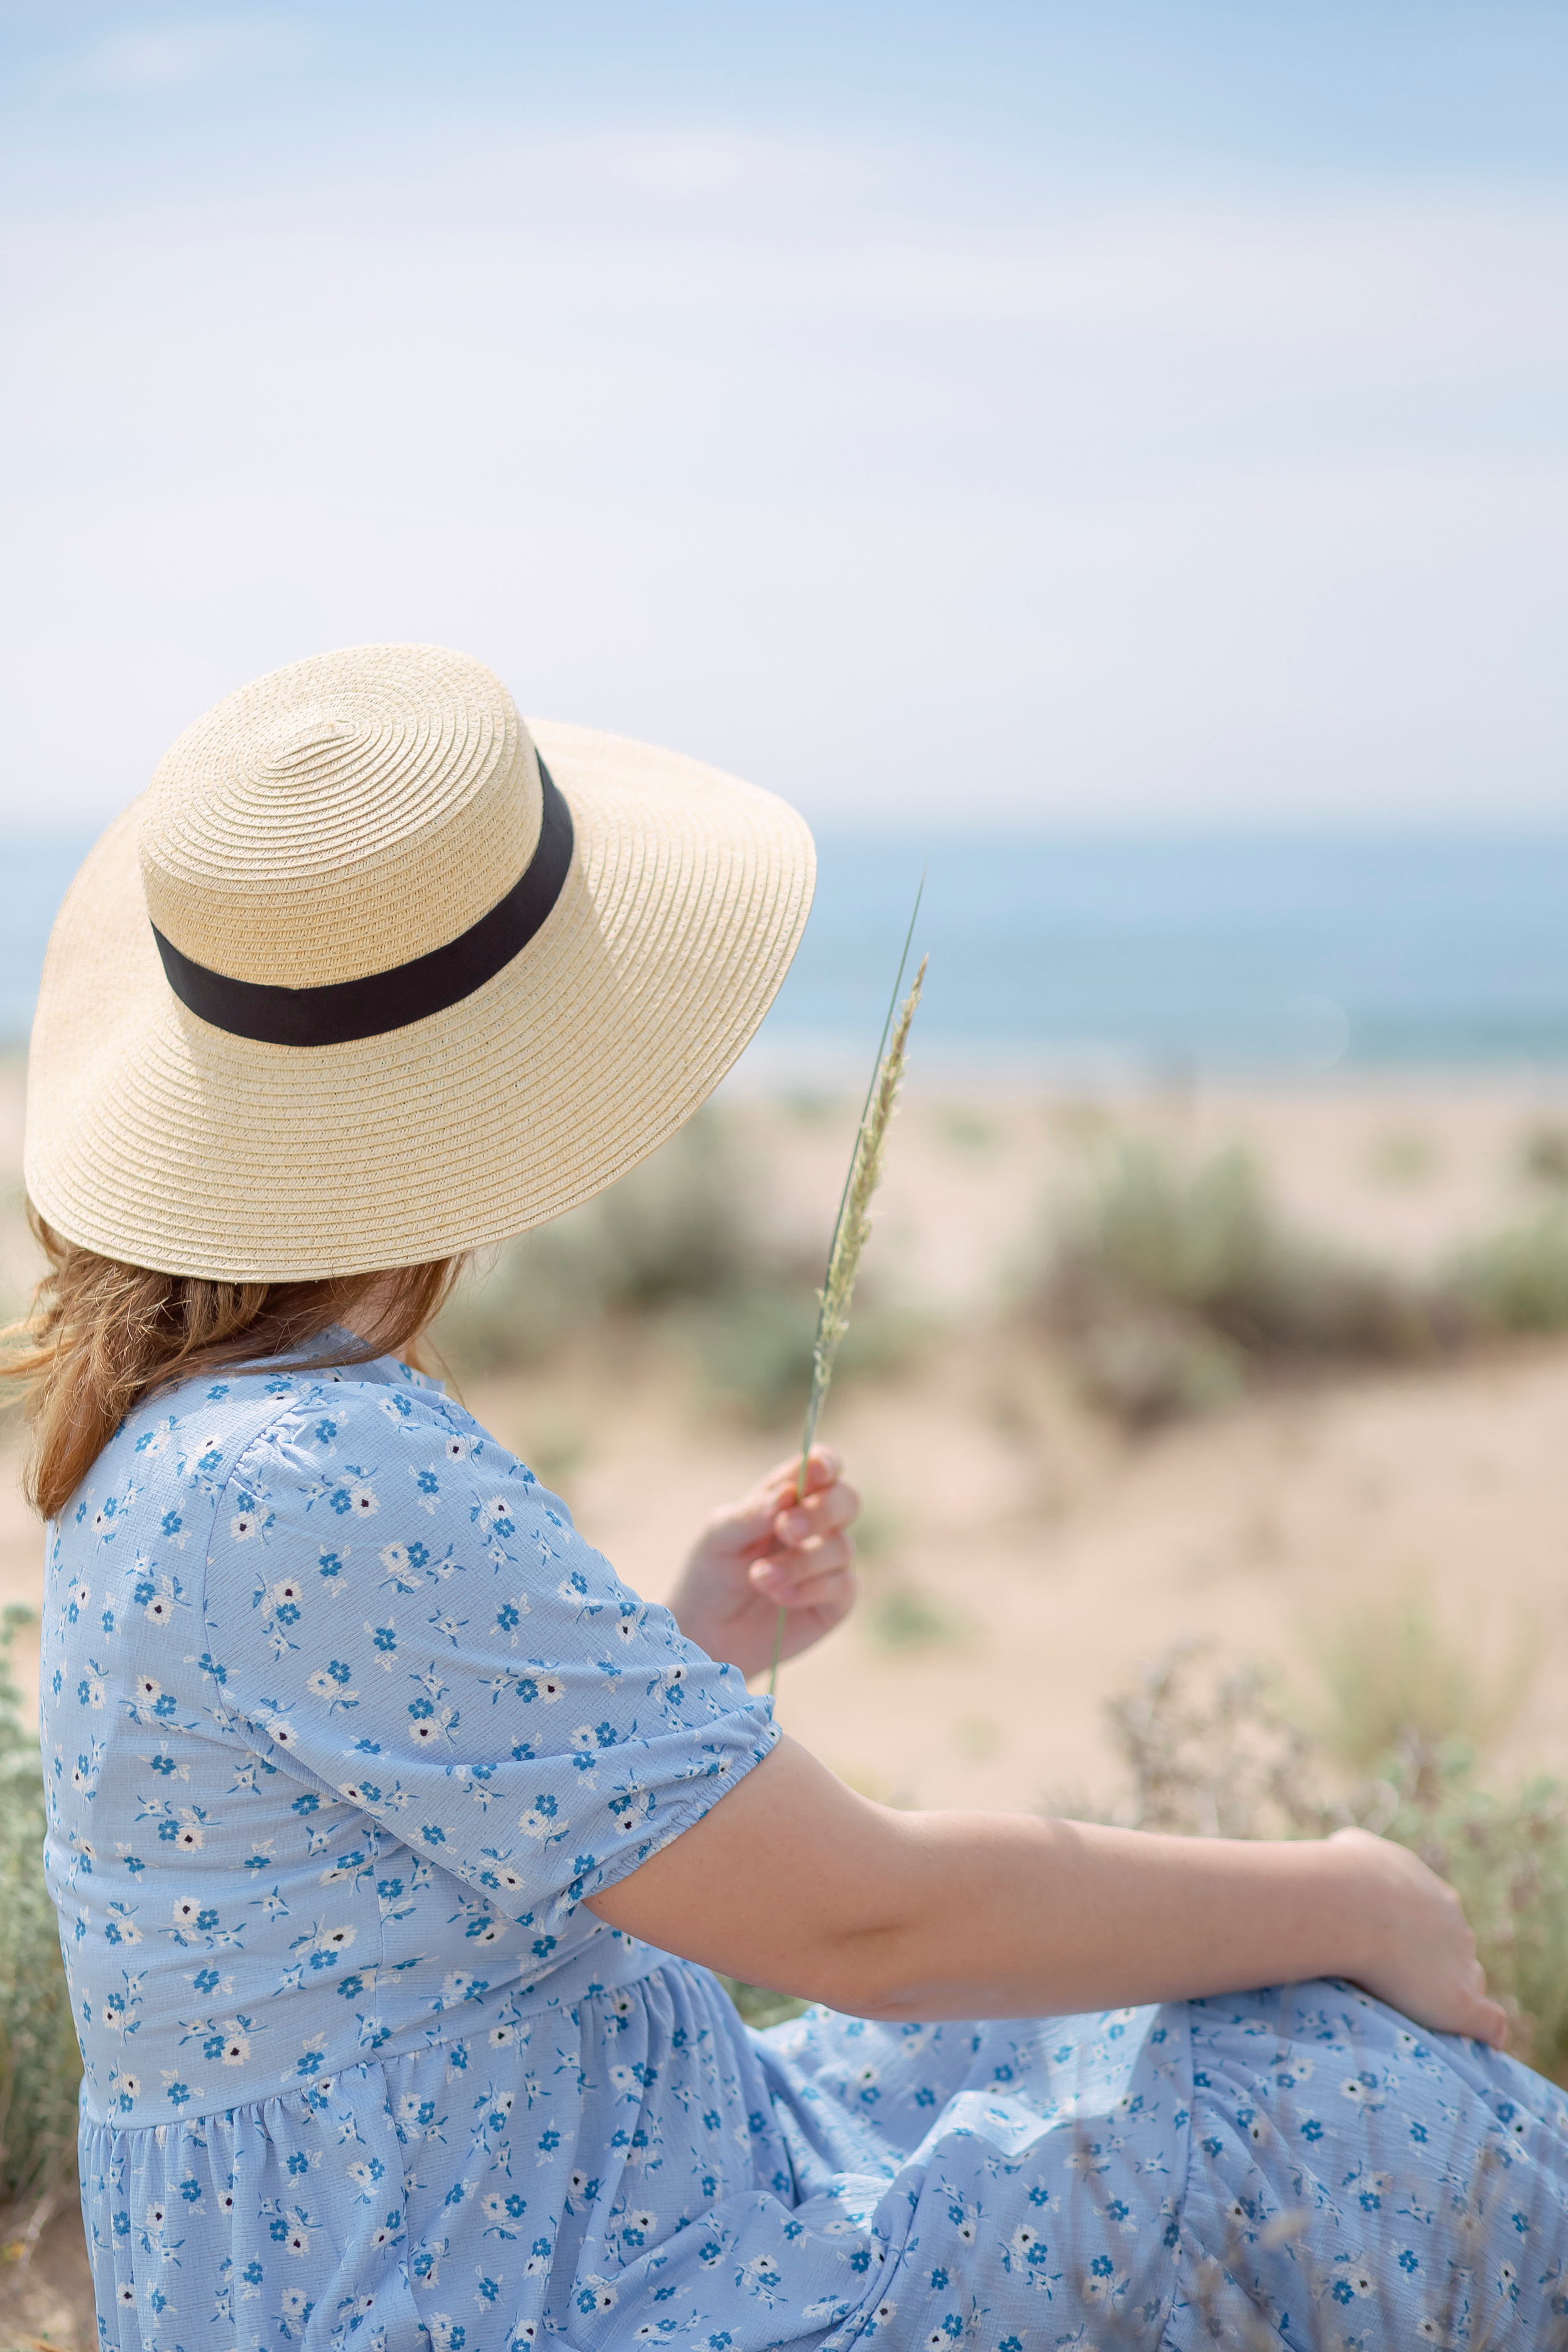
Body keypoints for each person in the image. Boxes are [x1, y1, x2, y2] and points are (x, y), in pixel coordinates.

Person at [15, 643, 1568, 2352]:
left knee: (1198, 2055)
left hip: (490, 2205)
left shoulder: (198, 1429)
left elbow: (353, 1864)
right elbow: (870, 1924)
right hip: (523, 2282)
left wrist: (677, 1645)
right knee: (1359, 2119)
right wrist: (1355, 1888)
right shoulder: (312, 1477)